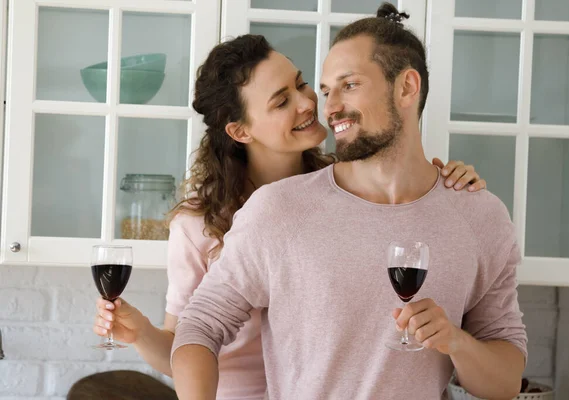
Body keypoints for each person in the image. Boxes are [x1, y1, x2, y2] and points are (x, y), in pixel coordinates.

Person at [93, 34, 487, 400]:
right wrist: (143, 333)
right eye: (281, 101)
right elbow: (190, 341)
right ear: (240, 130)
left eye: (301, 84)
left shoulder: (348, 187)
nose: (309, 103)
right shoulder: (199, 224)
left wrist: (446, 183)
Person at [170, 3, 527, 400]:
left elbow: (506, 381)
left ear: (407, 87)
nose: (329, 106)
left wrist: (457, 342)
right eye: (325, 90)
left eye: (349, 85)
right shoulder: (278, 210)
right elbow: (199, 327)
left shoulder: (480, 216)